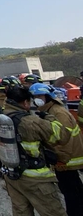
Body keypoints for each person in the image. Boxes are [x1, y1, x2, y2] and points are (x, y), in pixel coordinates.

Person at [0, 85, 68, 216]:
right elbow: (61, 136)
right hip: (36, 179)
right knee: (53, 212)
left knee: (21, 211)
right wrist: (49, 118)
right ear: (25, 102)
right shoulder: (30, 121)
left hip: (12, 176)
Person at [29, 83, 83, 216]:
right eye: (35, 97)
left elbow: (64, 138)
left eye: (40, 96)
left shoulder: (58, 112)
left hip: (68, 159)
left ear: (48, 96)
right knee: (74, 189)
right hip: (66, 159)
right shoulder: (50, 110)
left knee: (71, 192)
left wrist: (59, 158)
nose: (37, 99)